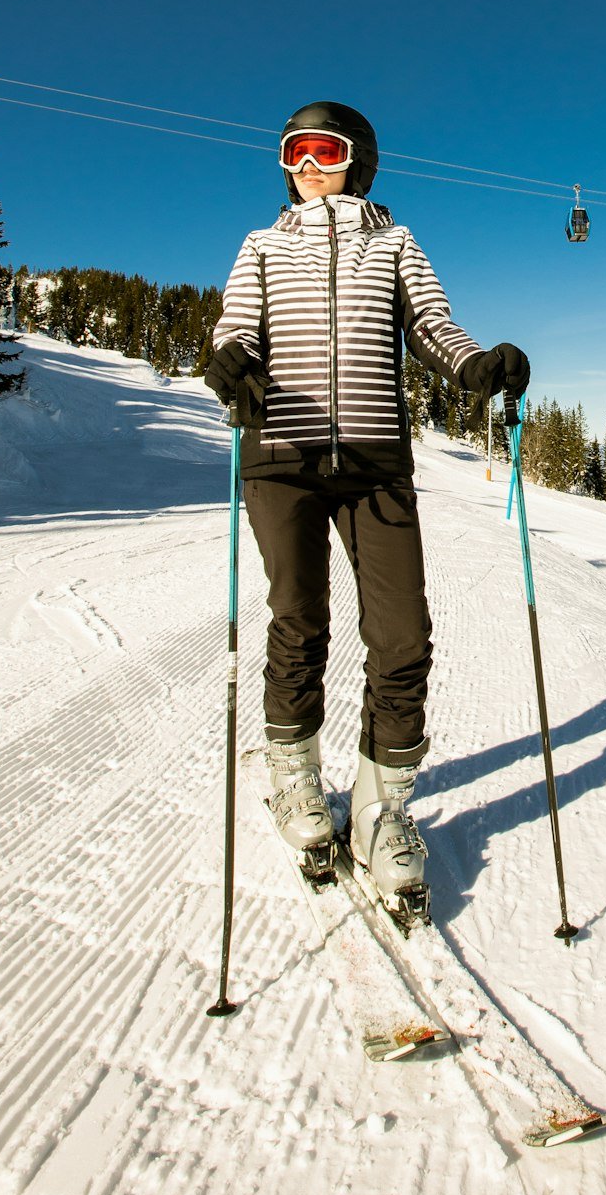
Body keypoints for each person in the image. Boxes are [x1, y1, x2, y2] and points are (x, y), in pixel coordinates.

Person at [204, 99, 530, 918]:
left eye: (325, 149)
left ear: (360, 159)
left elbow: (431, 327)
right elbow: (233, 330)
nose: (307, 163)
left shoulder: (395, 242)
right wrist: (230, 365)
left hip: (376, 462)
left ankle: (384, 812)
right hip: (282, 459)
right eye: (293, 150)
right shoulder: (262, 244)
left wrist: (476, 367)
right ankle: (297, 783)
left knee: (402, 636)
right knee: (298, 620)